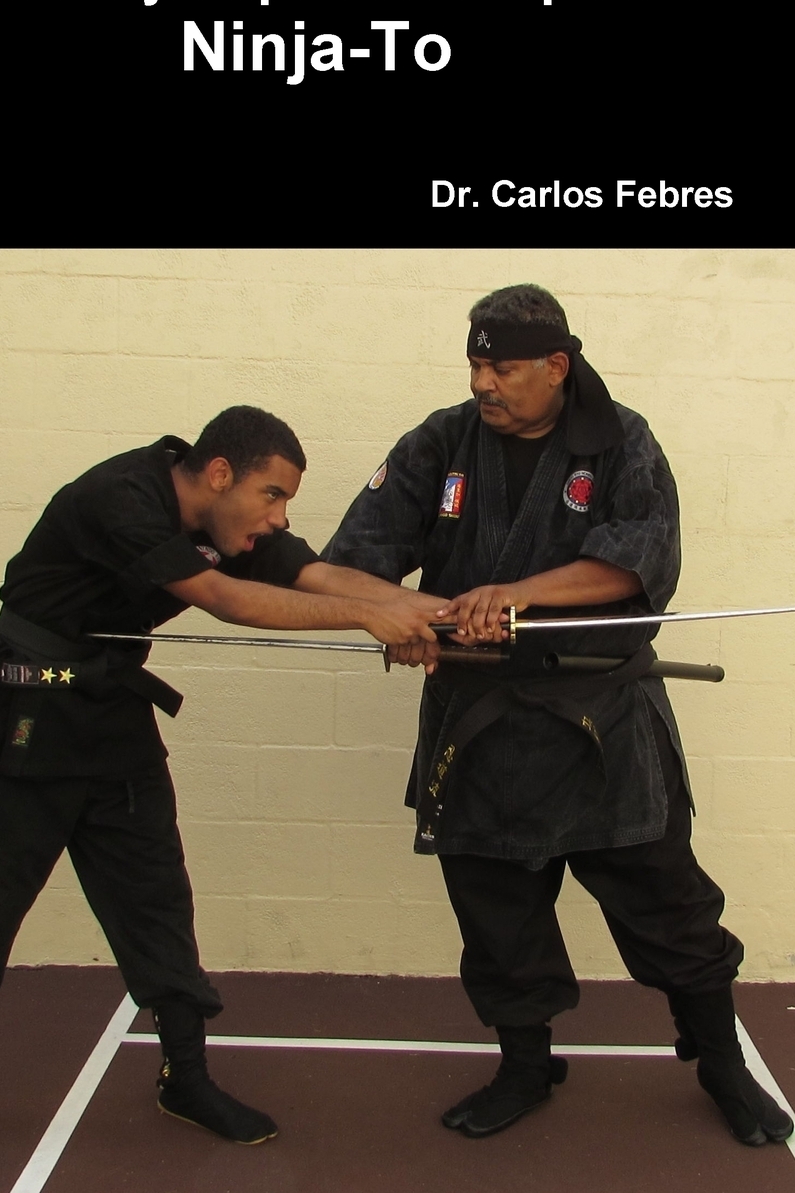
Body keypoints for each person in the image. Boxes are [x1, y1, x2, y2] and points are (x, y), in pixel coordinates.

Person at [0, 405, 447, 1165]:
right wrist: (368, 622)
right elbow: (228, 600)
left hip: (110, 720)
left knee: (155, 902)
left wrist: (443, 614)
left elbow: (317, 575)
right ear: (219, 474)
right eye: (272, 495)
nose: (279, 517)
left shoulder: (230, 525)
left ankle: (186, 1077)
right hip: (20, 718)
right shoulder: (123, 498)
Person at [324, 285, 793, 1149]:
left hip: (598, 718)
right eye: (475, 365)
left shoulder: (620, 441)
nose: (482, 383)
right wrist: (389, 614)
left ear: (555, 366)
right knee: (496, 911)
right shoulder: (440, 442)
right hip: (477, 720)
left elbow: (635, 562)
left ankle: (720, 1062)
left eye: (502, 367)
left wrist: (516, 595)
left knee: (669, 906)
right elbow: (353, 560)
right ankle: (524, 1066)